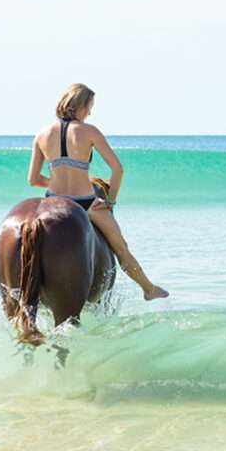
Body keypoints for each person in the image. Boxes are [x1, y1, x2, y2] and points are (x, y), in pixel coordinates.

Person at [27, 83, 169, 301]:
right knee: (121, 248)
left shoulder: (42, 134)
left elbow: (33, 179)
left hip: (53, 202)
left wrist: (56, 180)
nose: (90, 112)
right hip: (86, 203)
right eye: (89, 106)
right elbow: (117, 169)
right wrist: (111, 201)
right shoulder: (89, 132)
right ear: (80, 106)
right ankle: (148, 289)